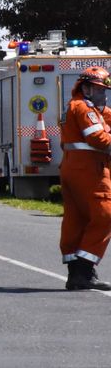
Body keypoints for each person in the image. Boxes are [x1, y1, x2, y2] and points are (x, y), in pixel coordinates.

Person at [58, 66, 111, 290]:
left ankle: (76, 273)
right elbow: (98, 138)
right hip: (89, 170)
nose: (104, 94)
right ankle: (84, 268)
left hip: (75, 168)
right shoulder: (83, 108)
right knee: (105, 214)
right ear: (86, 88)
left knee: (76, 219)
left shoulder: (83, 107)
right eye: (100, 90)